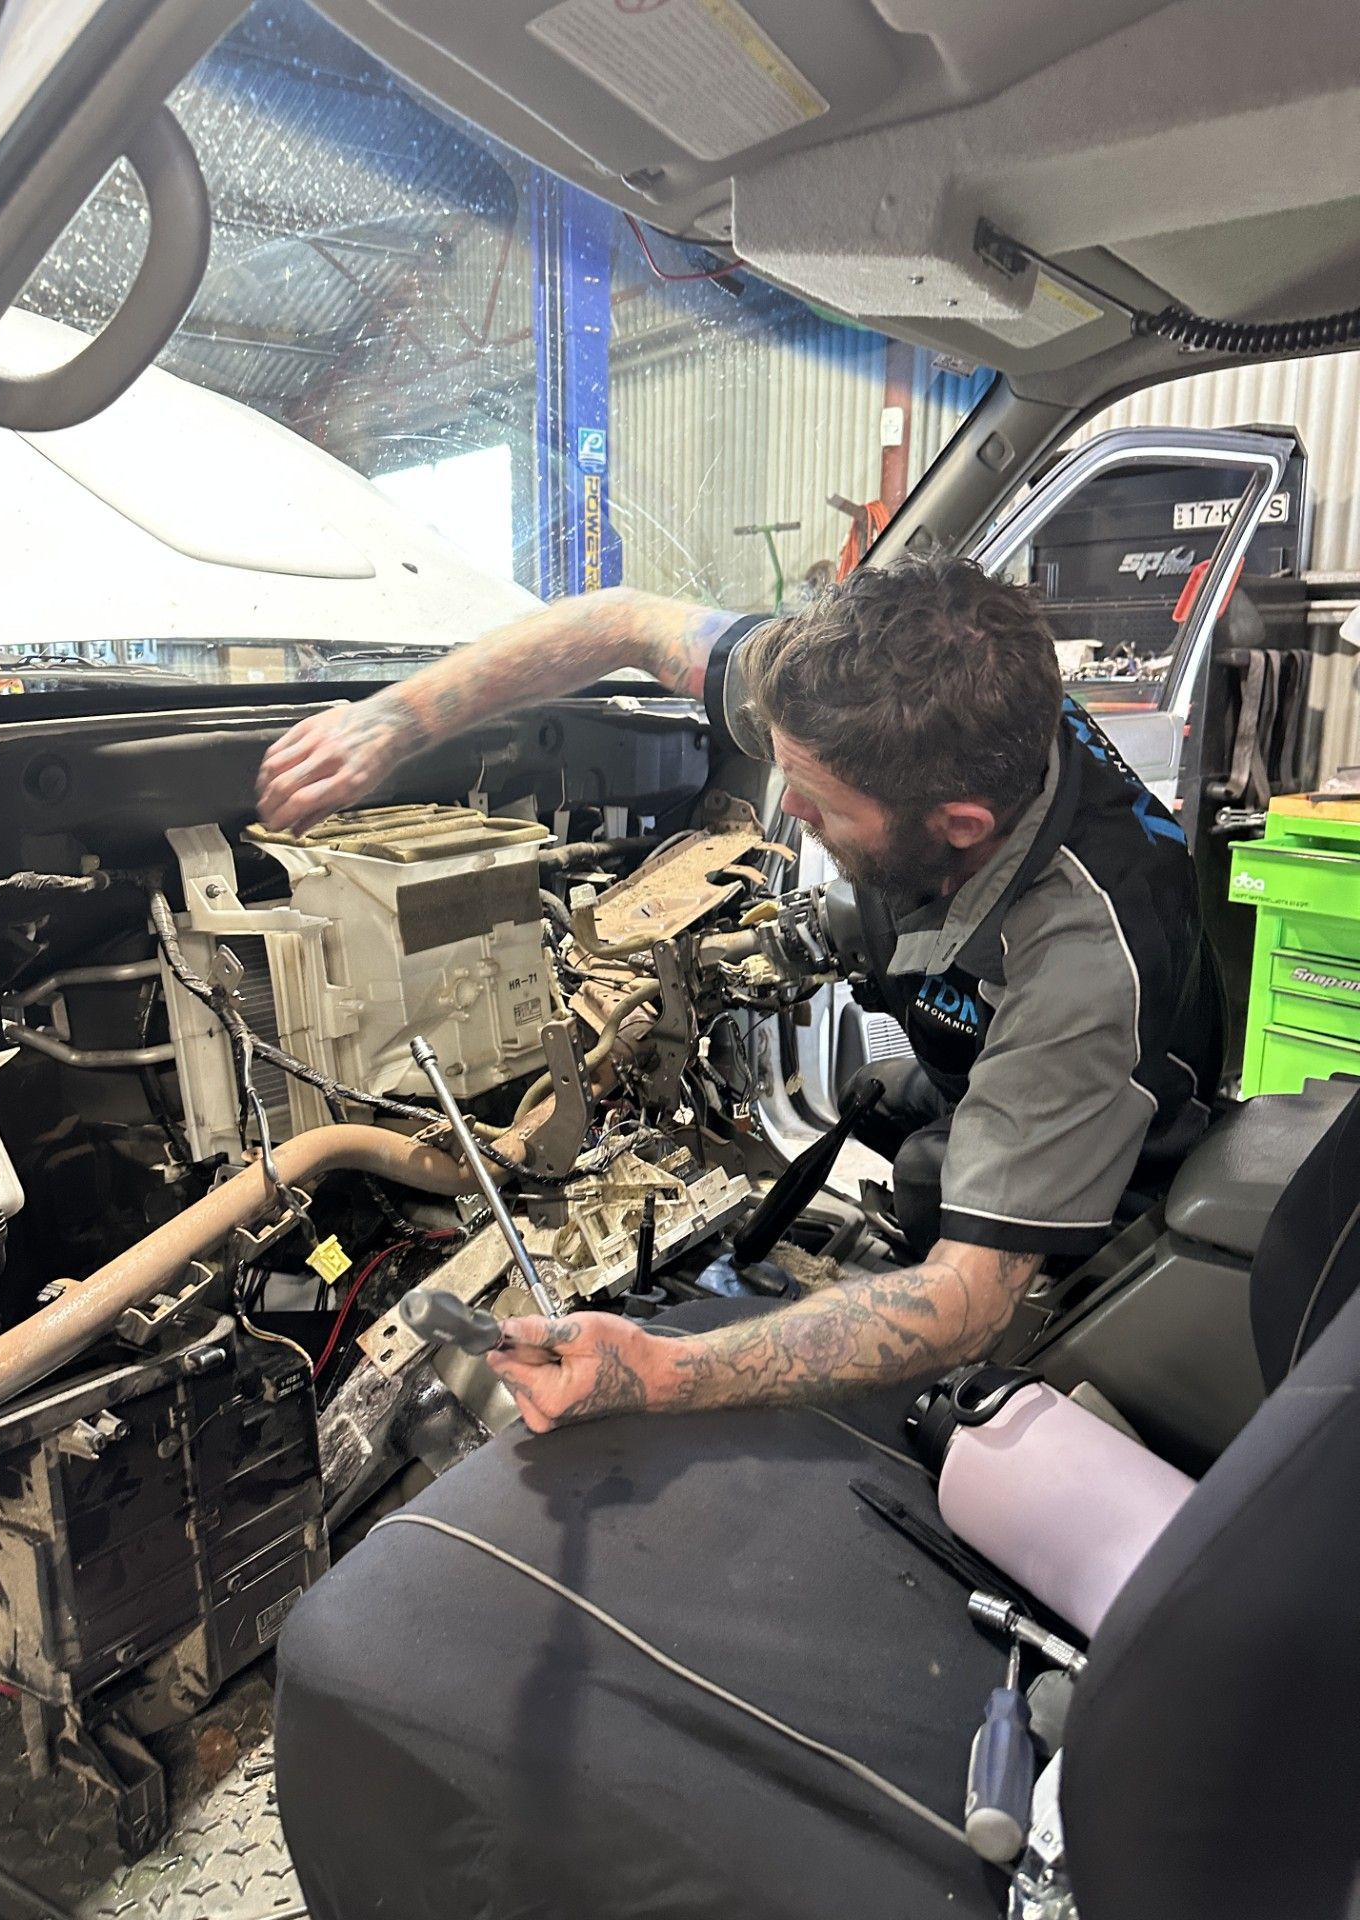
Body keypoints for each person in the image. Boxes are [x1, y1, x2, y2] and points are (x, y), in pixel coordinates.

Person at [268, 558, 1222, 1920]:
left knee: (950, 1234)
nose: (790, 814)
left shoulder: (1082, 959)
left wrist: (655, 1370)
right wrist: (398, 721)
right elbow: (620, 621)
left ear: (955, 824)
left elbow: (963, 1303)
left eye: (819, 814)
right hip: (963, 1061)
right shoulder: (858, 692)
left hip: (1101, 1220)